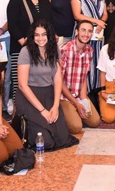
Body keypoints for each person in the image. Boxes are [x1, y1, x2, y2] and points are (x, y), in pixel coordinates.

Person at [16, 20, 79, 150]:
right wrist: (43, 111)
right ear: (32, 36)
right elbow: (22, 85)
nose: (40, 38)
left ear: (49, 35)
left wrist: (55, 106)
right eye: (37, 35)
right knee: (45, 142)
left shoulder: (54, 49)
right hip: (30, 96)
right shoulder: (25, 52)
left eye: (44, 34)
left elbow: (57, 79)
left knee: (62, 138)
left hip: (49, 94)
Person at [7, 0, 53, 103]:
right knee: (20, 83)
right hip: (21, 48)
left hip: (41, 49)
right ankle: (18, 112)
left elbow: (49, 23)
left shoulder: (44, 0)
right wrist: (25, 44)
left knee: (36, 82)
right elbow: (12, 24)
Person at [72, 0, 108, 109]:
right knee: (84, 66)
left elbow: (105, 13)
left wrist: (102, 22)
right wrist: (96, 21)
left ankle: (96, 97)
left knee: (97, 65)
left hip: (98, 36)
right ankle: (83, 98)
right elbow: (77, 15)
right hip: (84, 35)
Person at [60, 20, 101, 134]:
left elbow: (83, 78)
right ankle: (65, 113)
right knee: (76, 127)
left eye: (89, 31)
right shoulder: (65, 50)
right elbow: (59, 82)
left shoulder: (89, 51)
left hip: (78, 95)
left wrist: (83, 101)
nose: (86, 34)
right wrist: (76, 104)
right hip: (63, 96)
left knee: (95, 121)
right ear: (77, 31)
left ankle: (74, 112)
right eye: (83, 30)